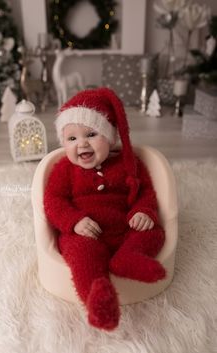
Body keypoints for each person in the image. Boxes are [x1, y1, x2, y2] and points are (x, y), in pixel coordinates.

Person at [44, 87, 166, 331]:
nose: (82, 144)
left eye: (91, 134)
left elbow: (146, 193)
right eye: (72, 138)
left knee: (153, 232)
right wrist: (75, 221)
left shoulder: (129, 164)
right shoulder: (64, 170)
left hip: (125, 229)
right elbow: (53, 201)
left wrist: (142, 212)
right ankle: (98, 298)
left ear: (110, 137)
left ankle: (128, 259)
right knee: (82, 257)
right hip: (84, 233)